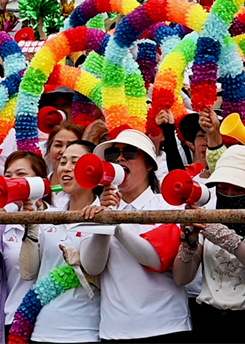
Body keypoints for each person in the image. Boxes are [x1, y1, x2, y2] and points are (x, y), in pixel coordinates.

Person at [80, 129, 192, 343]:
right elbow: (92, 266)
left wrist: (116, 225)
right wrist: (106, 218)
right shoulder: (98, 208)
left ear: (149, 164)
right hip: (114, 329)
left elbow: (158, 260)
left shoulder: (168, 205)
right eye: (113, 155)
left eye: (130, 153)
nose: (120, 158)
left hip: (166, 326)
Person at [173, 146, 245, 342]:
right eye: (223, 188)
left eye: (238, 189)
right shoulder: (207, 220)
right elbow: (181, 278)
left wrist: (223, 236)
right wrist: (189, 241)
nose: (230, 194)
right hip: (208, 319)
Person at [17, 140, 103, 344]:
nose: (66, 168)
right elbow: (28, 273)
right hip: (42, 330)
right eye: (63, 161)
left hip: (86, 331)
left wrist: (82, 263)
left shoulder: (105, 215)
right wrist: (31, 227)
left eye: (75, 161)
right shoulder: (47, 215)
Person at [0, 151, 53, 332]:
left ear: (40, 180)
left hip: (54, 322)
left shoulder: (59, 217)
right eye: (8, 176)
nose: (12, 180)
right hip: (15, 320)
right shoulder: (0, 224)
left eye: (21, 174)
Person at [44, 122, 84, 188]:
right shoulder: (38, 187)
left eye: (70, 145)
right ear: (49, 149)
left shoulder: (86, 191)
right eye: (58, 145)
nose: (63, 151)